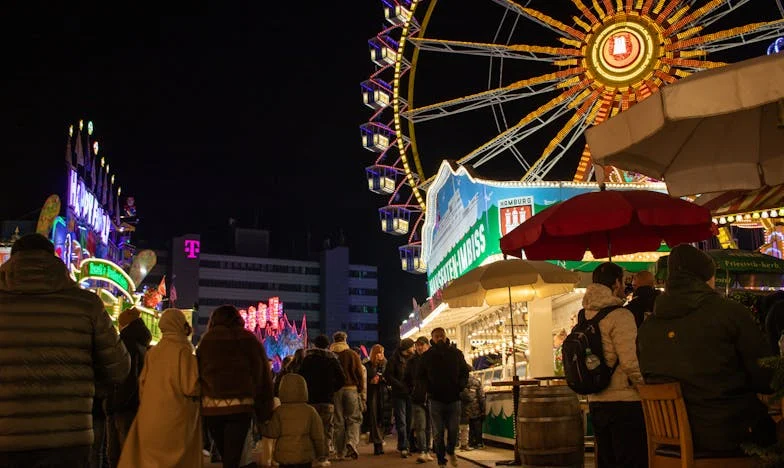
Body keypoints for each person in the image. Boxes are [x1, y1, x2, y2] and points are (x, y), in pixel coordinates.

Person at [0, 234, 130, 468]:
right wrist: (86, 385)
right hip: (68, 437)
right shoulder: (86, 304)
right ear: (54, 259)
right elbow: (119, 368)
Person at [638, 244, 776, 453]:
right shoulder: (729, 313)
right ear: (708, 277)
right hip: (728, 433)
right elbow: (767, 377)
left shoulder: (648, 327)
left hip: (667, 438)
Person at [118, 308, 202, 468]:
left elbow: (142, 384)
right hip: (177, 419)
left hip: (150, 417)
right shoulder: (183, 351)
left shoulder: (153, 352)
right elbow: (191, 386)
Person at [582, 262, 646, 468]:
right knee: (630, 460)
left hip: (596, 399)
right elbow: (630, 362)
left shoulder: (584, 315)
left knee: (606, 460)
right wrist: (644, 385)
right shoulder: (621, 316)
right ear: (617, 283)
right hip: (624, 402)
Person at [196, 305, 274, 468]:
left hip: (212, 407)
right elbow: (262, 375)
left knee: (227, 454)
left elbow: (198, 372)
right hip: (241, 405)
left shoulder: (207, 340)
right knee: (233, 455)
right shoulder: (249, 339)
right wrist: (264, 410)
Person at [105, 307, 152, 468]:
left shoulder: (125, 342)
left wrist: (116, 402)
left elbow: (125, 376)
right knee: (130, 450)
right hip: (136, 403)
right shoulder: (142, 343)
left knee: (117, 452)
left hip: (121, 404)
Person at [418, 328, 469, 468]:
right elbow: (421, 376)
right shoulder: (427, 356)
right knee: (438, 432)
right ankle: (441, 460)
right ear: (432, 338)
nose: (439, 338)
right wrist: (427, 390)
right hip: (435, 399)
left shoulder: (456, 353)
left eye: (441, 336)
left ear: (445, 336)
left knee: (453, 430)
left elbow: (465, 372)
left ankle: (451, 450)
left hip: (453, 398)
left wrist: (460, 386)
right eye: (436, 336)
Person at [298, 334, 346, 467]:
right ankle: (323, 457)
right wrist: (332, 389)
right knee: (325, 429)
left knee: (310, 429)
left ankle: (310, 455)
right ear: (327, 345)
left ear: (314, 344)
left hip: (310, 400)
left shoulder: (307, 359)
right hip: (326, 400)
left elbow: (300, 377)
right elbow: (342, 379)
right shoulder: (332, 359)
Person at [262, 373, 326, 468]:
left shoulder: (279, 411)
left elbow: (272, 432)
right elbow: (318, 435)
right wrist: (321, 453)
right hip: (304, 454)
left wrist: (262, 425)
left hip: (284, 456)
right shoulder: (310, 411)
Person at [329, 331, 365, 460]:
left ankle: (339, 452)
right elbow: (359, 372)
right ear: (345, 339)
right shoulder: (352, 354)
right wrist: (360, 389)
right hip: (351, 388)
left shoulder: (330, 355)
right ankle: (351, 442)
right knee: (354, 418)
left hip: (335, 391)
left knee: (338, 421)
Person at [384, 338, 415, 458]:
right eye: (412, 346)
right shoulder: (394, 359)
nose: (413, 348)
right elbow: (389, 376)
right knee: (401, 421)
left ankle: (404, 444)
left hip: (410, 394)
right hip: (399, 394)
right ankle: (403, 446)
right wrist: (400, 385)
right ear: (407, 348)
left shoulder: (413, 359)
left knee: (408, 421)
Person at [405, 336, 434, 463]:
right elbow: (406, 378)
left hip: (432, 397)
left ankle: (427, 450)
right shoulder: (411, 361)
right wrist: (411, 390)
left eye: (422, 345)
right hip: (417, 397)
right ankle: (422, 451)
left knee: (429, 427)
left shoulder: (434, 359)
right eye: (417, 345)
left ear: (427, 345)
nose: (419, 347)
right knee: (420, 426)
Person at [365, 344, 389, 456]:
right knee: (374, 417)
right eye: (379, 352)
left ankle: (379, 440)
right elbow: (366, 378)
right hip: (373, 394)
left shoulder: (385, 364)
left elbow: (388, 377)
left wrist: (381, 378)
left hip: (383, 394)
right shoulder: (368, 365)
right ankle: (377, 443)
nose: (381, 355)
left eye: (382, 352)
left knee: (382, 418)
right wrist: (372, 379)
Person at [459, 370, 485, 450]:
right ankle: (479, 443)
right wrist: (483, 409)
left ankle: (469, 443)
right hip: (475, 406)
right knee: (477, 425)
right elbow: (481, 396)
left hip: (464, 407)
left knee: (467, 426)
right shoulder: (476, 381)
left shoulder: (460, 380)